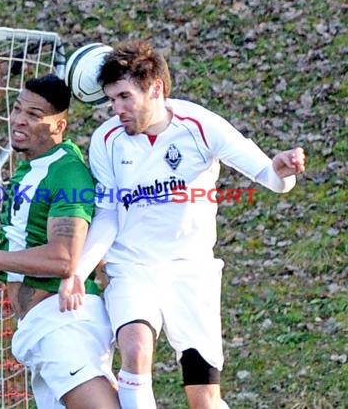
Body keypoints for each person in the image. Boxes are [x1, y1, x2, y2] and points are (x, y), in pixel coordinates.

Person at [59, 40, 306, 409]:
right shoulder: (107, 141)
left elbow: (269, 175)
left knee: (203, 398)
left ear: (155, 88)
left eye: (125, 97)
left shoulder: (201, 126)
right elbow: (108, 214)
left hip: (192, 272)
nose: (118, 109)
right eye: (111, 100)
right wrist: (78, 270)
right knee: (137, 349)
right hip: (133, 267)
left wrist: (284, 171)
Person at [0, 74, 120, 409]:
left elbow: (63, 259)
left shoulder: (66, 172)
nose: (20, 119)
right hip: (41, 325)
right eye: (18, 109)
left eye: (35, 115)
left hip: (64, 321)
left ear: (59, 125)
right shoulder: (29, 169)